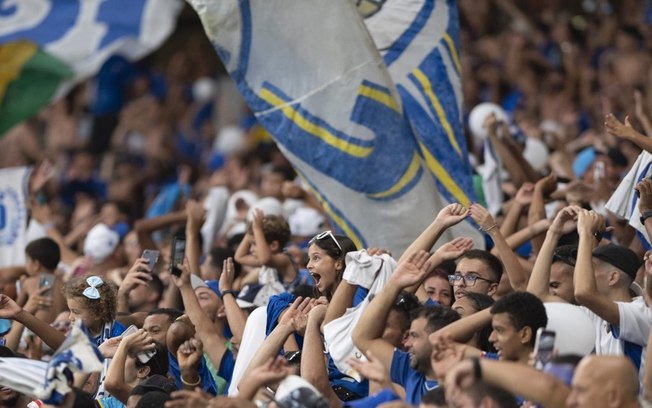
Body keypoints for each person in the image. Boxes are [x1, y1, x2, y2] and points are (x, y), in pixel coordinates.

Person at [352, 250, 463, 405]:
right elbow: (361, 336)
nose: (408, 342)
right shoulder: (411, 371)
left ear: (440, 340)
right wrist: (395, 283)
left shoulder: (467, 386)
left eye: (415, 336)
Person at [573, 210, 651, 375]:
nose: (581, 274)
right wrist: (553, 233)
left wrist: (585, 234)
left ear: (613, 278)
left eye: (590, 269)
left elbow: (583, 292)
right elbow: (538, 296)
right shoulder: (598, 314)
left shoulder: (641, 311)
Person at [63, 275, 126, 345]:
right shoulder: (77, 332)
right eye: (70, 311)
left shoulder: (118, 333)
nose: (70, 317)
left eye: (76, 312)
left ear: (98, 313)